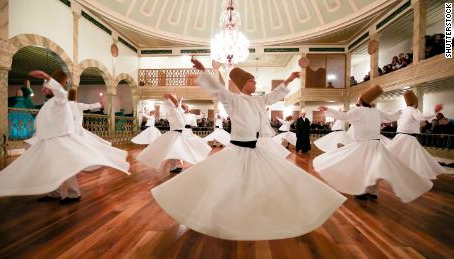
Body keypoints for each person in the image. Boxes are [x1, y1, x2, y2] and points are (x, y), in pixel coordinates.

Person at [150, 59, 346, 241]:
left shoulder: (258, 100)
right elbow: (217, 89)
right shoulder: (233, 99)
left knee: (265, 180)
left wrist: (289, 79)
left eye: (254, 81)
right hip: (237, 150)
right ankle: (225, 212)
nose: (254, 83)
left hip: (254, 149)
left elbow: (273, 96)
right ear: (243, 84)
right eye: (252, 81)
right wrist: (203, 71)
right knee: (226, 183)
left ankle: (253, 210)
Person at [0, 70, 130, 203]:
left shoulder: (60, 99)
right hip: (50, 140)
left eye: (45, 87)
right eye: (43, 87)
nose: (42, 90)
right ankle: (55, 193)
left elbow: (61, 93)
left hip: (61, 139)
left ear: (54, 87)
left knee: (67, 166)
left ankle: (74, 194)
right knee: (53, 167)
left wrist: (48, 77)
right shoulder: (51, 103)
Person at [313, 85, 432, 202]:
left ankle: (363, 192)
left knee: (364, 168)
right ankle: (373, 193)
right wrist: (402, 111)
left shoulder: (358, 111)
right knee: (375, 168)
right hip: (376, 145)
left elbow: (343, 116)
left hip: (363, 145)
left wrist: (327, 109)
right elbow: (391, 117)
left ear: (361, 100)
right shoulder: (376, 112)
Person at [137, 93, 211, 173]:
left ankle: (174, 167)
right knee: (175, 150)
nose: (176, 104)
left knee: (177, 150)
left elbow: (178, 105)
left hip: (179, 134)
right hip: (174, 134)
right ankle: (174, 167)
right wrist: (170, 97)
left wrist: (176, 99)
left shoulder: (176, 110)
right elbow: (175, 103)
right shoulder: (171, 111)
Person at [385, 90, 444, 179]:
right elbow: (421, 117)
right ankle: (411, 176)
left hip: (399, 137)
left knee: (398, 156)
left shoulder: (401, 111)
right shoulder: (413, 110)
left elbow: (390, 117)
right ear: (415, 103)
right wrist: (434, 111)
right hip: (409, 138)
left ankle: (399, 174)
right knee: (415, 159)